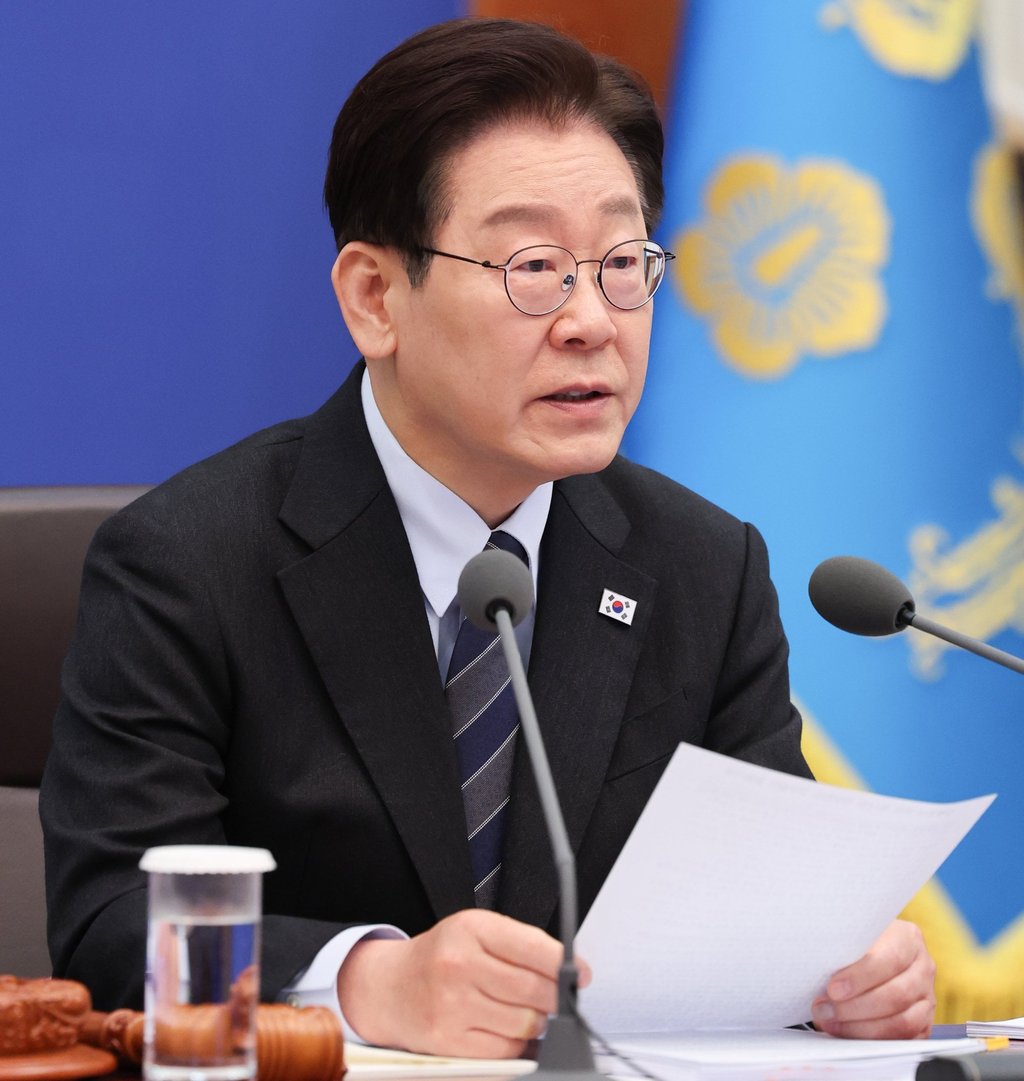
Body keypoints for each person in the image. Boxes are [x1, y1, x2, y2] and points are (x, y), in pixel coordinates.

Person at [40, 17, 936, 1058]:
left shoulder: (703, 567)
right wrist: (368, 980)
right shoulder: (189, 561)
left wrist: (844, 971)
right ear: (375, 297)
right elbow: (112, 921)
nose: (592, 320)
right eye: (533, 266)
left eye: (622, 262)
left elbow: (775, 899)